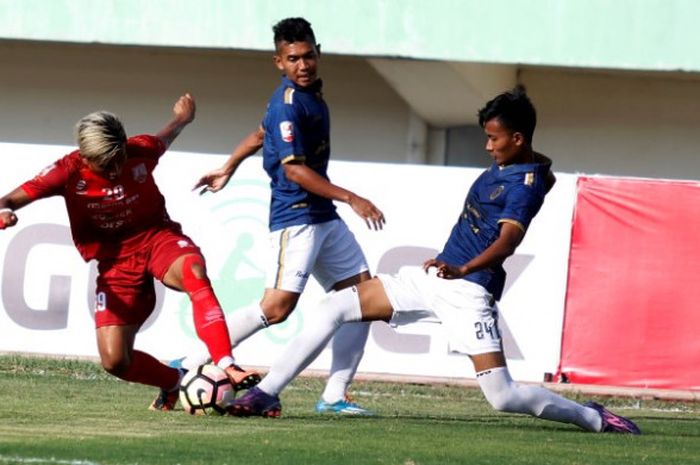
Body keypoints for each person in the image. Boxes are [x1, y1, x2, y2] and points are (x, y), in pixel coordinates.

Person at [228, 86, 642, 434]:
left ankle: (592, 417)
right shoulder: (527, 166)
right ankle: (266, 392)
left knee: (503, 396)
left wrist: (464, 268)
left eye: (494, 138)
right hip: (436, 278)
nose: (487, 145)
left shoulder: (524, 187)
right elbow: (543, 169)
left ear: (517, 139)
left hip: (468, 291)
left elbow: (508, 243)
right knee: (335, 304)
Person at [0, 93, 260, 411]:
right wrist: (5, 213)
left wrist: (183, 118)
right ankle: (175, 382)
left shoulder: (140, 149)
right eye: (104, 164)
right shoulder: (65, 172)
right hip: (115, 265)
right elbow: (7, 200)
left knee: (194, 273)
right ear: (84, 156)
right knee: (114, 361)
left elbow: (166, 136)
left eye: (118, 159)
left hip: (157, 239)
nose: (113, 169)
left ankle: (227, 362)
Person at [181, 17, 385, 415]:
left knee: (364, 297)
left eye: (308, 56)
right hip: (296, 217)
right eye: (293, 59)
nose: (303, 65)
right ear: (279, 62)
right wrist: (352, 197)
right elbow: (293, 170)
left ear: (318, 53)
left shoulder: (310, 96)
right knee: (275, 309)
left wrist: (228, 166)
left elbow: (259, 134)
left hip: (321, 215)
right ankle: (191, 361)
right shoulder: (287, 105)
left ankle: (335, 396)